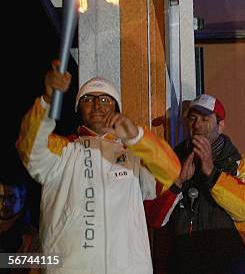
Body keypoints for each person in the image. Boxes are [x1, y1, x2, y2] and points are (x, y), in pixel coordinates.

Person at [15, 61, 181, 273]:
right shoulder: (62, 150)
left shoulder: (134, 154)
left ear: (116, 107)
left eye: (105, 99)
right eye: (88, 99)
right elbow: (29, 147)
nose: (97, 105)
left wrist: (136, 137)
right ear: (78, 108)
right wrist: (47, 101)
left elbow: (171, 171)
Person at [145, 94, 245, 274]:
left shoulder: (242, 164)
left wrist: (211, 172)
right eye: (192, 119)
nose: (197, 125)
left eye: (205, 119)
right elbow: (155, 219)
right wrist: (178, 182)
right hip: (182, 264)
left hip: (229, 264)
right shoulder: (171, 163)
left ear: (221, 125)